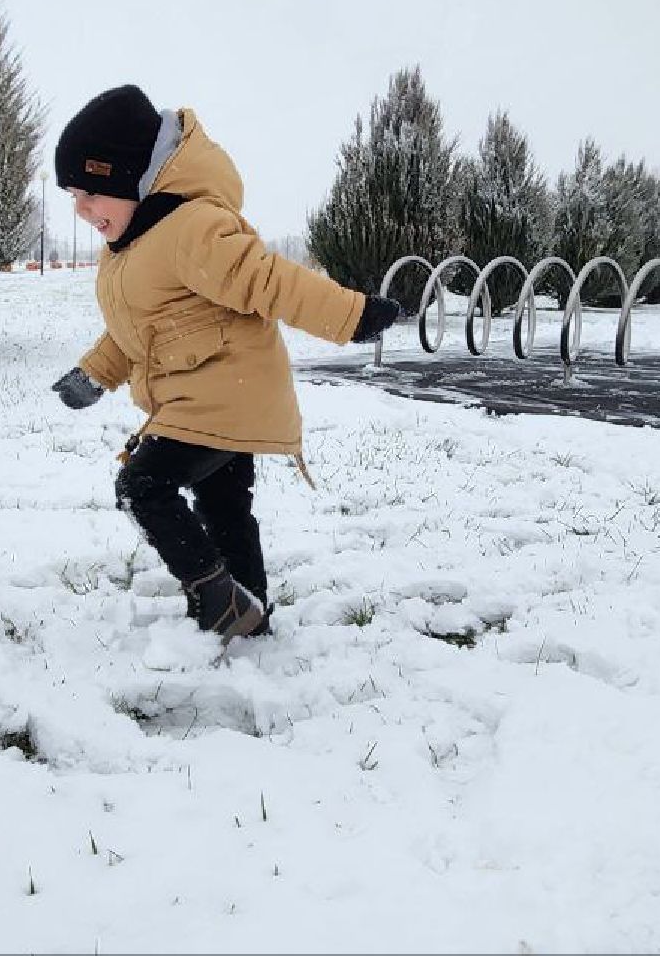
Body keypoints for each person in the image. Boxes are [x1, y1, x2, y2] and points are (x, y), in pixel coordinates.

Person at [50, 85, 400, 642]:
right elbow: (136, 329)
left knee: (143, 487)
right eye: (73, 195)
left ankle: (217, 599)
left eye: (91, 192)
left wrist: (351, 315)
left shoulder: (191, 228)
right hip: (212, 397)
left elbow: (269, 281)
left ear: (128, 176)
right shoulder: (135, 246)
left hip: (221, 397)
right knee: (224, 508)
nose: (81, 209)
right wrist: (95, 373)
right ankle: (249, 611)